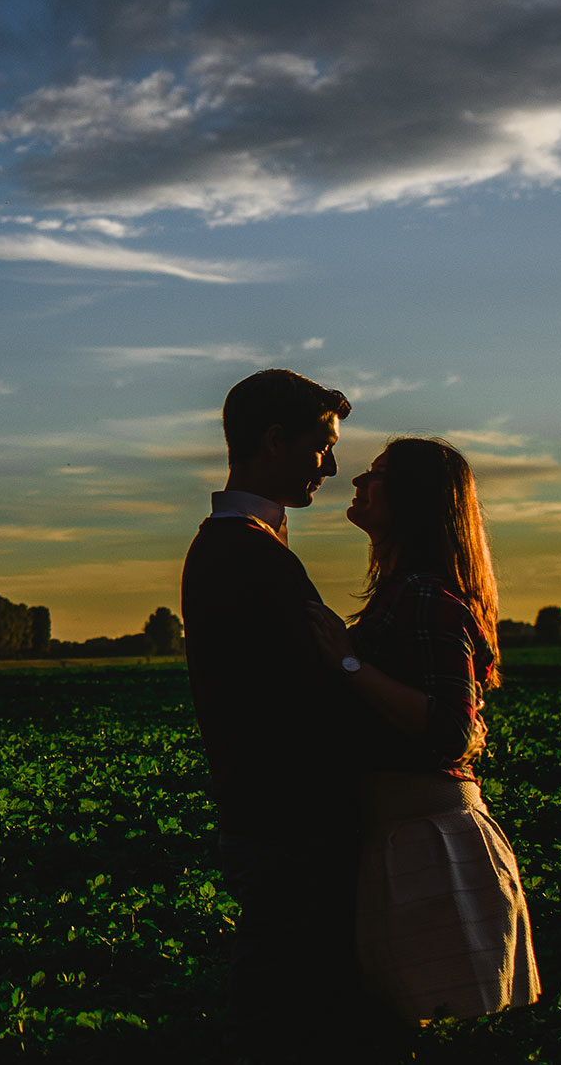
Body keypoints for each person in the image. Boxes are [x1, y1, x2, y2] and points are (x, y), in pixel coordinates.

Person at [305, 437, 541, 1023]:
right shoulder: (401, 592)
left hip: (434, 847)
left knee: (452, 1025)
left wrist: (348, 664)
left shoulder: (425, 595)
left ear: (412, 498)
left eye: (377, 475)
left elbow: (454, 729)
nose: (357, 481)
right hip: (409, 838)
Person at [180, 368, 374, 1061]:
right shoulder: (245, 556)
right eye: (323, 444)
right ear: (273, 440)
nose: (332, 464)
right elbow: (306, 704)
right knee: (285, 1019)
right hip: (288, 830)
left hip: (268, 823)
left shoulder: (234, 548)